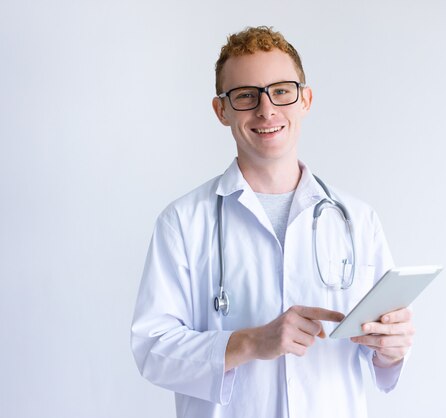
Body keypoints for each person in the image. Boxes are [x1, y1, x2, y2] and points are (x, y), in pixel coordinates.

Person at [131, 26, 414, 418]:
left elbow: (381, 360)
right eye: (246, 96)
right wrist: (250, 342)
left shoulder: (357, 220)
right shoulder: (182, 222)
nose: (266, 110)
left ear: (305, 99)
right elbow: (152, 350)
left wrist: (392, 350)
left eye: (281, 91)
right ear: (222, 110)